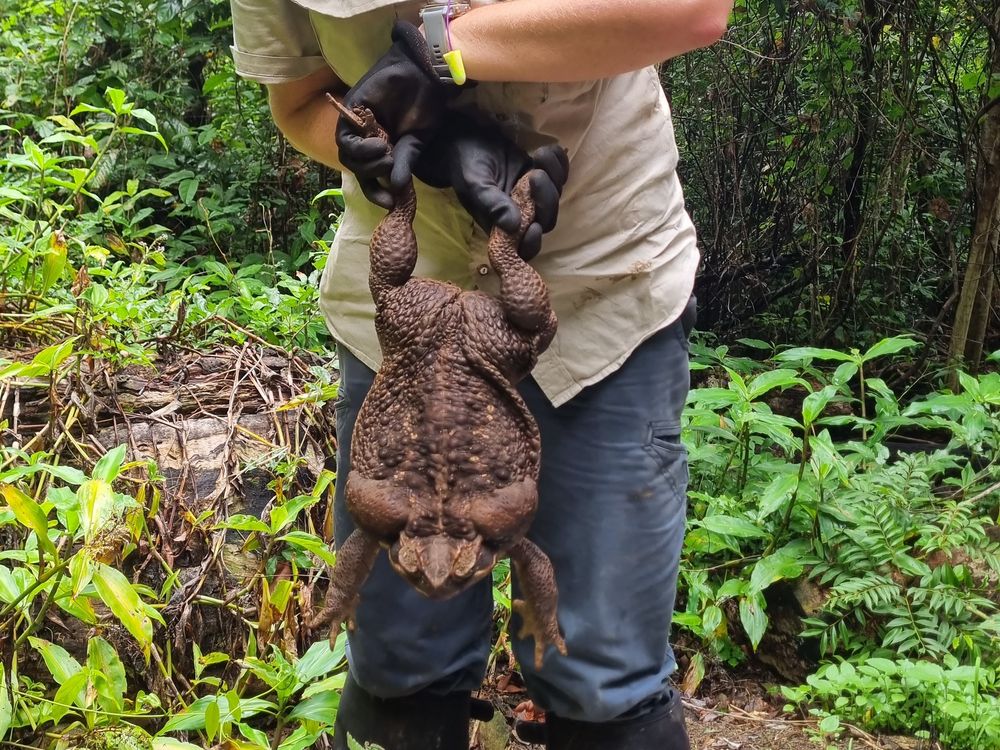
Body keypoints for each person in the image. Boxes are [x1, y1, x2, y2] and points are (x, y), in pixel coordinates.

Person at [228, 1, 731, 748]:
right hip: (403, 317)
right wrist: (383, 149)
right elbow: (300, 102)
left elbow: (690, 10)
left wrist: (441, 52)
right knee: (398, 663)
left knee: (603, 677)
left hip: (600, 282)